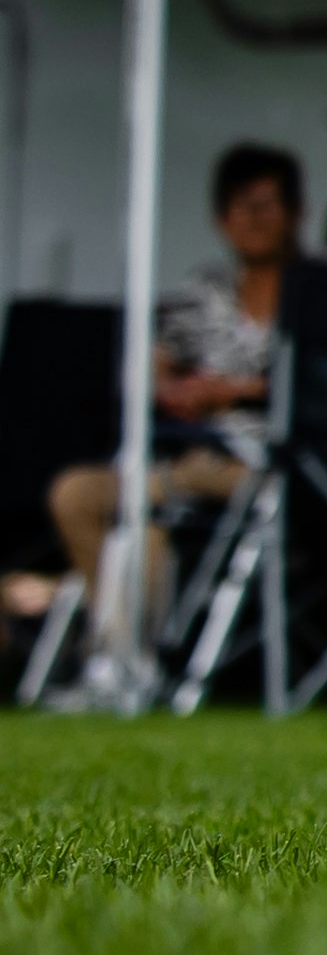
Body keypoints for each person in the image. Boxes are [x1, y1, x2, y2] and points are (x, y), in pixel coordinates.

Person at [42, 141, 300, 622]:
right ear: (222, 220)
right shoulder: (205, 290)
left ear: (294, 213)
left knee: (147, 509)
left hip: (281, 462)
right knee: (79, 494)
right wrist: (171, 390)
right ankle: (122, 656)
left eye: (266, 206)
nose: (253, 220)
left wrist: (235, 390)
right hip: (199, 456)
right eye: (239, 208)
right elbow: (154, 366)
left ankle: (130, 661)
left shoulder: (322, 287)